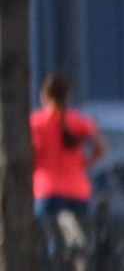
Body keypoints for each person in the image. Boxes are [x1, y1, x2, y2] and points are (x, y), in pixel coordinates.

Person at [30, 72, 105, 223]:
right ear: (68, 95)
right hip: (78, 190)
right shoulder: (79, 121)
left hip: (47, 190)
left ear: (43, 95)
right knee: (74, 243)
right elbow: (101, 148)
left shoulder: (35, 122)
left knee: (45, 240)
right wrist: (83, 163)